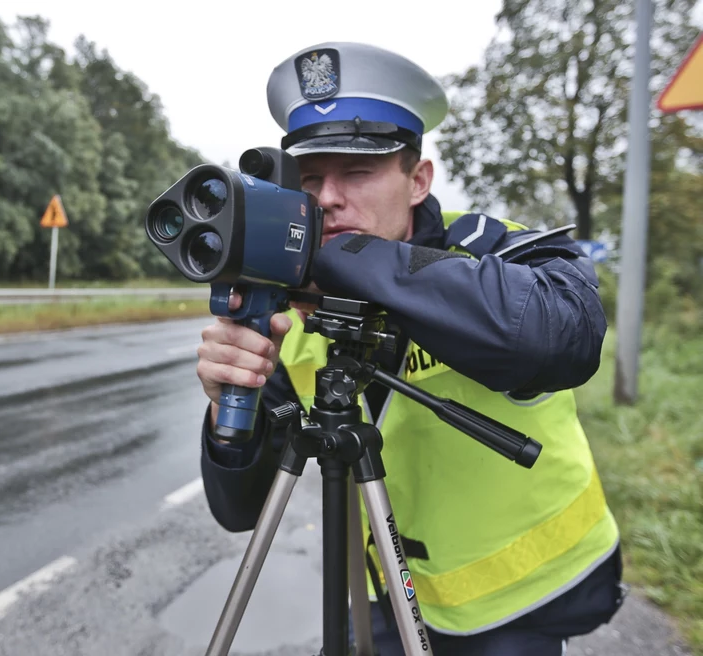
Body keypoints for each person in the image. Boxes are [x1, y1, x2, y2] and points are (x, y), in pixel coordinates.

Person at [196, 42, 626, 656]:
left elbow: (563, 335)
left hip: (520, 602)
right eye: (310, 178)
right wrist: (225, 410)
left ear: (418, 179)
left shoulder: (484, 250)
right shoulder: (288, 309)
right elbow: (239, 511)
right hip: (390, 595)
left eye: (358, 172)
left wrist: (345, 260)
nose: (327, 199)